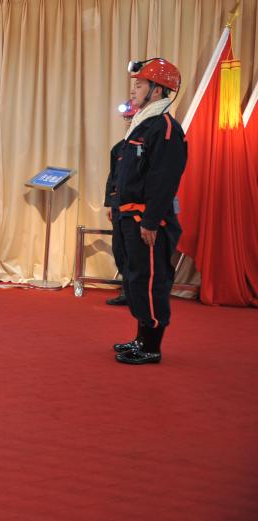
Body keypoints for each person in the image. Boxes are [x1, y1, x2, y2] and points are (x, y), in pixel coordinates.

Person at [112, 58, 187, 365]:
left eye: (140, 85)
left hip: (148, 220)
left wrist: (151, 221)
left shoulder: (165, 128)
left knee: (150, 279)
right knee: (134, 277)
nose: (134, 90)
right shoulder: (141, 124)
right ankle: (141, 337)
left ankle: (151, 345)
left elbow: (163, 179)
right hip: (130, 217)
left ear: (157, 91)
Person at [103, 98, 138, 305]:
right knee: (120, 250)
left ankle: (138, 294)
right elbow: (113, 176)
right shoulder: (119, 148)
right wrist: (109, 202)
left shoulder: (147, 144)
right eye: (126, 117)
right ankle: (127, 291)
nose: (128, 121)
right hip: (119, 206)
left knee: (136, 251)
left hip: (137, 208)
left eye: (131, 116)